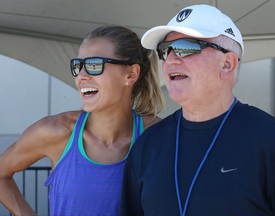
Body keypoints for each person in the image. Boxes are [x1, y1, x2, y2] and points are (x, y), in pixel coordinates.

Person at [120, 4, 275, 216]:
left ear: (227, 64)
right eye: (165, 50)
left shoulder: (273, 142)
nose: (171, 59)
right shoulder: (147, 146)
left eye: (186, 47)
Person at [0, 25, 165, 216]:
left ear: (131, 74)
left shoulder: (158, 136)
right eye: (78, 66)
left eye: (94, 65)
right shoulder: (56, 132)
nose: (81, 76)